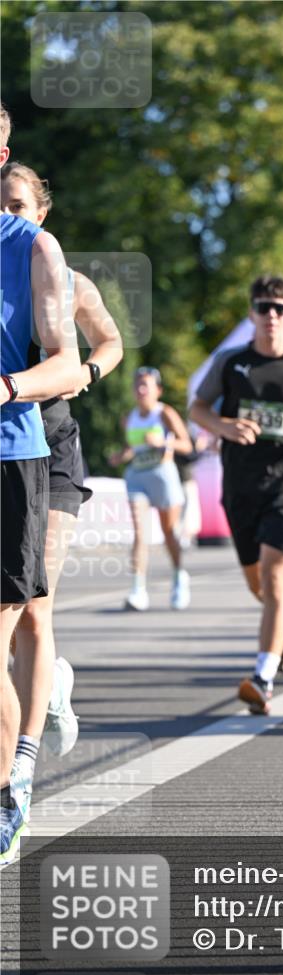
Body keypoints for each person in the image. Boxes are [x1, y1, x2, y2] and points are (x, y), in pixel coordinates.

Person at [1, 161, 124, 827]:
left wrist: (87, 372)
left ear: (41, 213)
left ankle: (18, 766)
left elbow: (110, 342)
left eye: (21, 204)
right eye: (2, 203)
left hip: (51, 449)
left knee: (36, 607)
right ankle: (46, 691)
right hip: (6, 447)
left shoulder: (62, 277)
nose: (11, 214)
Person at [190, 275, 283, 714]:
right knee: (260, 584)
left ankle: (263, 676)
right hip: (239, 488)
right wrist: (222, 426)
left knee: (277, 575)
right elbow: (198, 407)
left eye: (279, 308)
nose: (271, 315)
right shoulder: (231, 362)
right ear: (252, 314)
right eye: (263, 307)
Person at [1, 113, 81, 862]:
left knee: (21, 620)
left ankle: (11, 786)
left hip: (23, 451)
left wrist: (7, 386)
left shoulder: (38, 253)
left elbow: (77, 358)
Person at [109, 367, 193, 611]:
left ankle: (179, 577)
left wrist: (163, 442)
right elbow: (131, 448)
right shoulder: (129, 417)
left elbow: (187, 445)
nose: (141, 390)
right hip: (137, 476)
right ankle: (138, 590)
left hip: (163, 476)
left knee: (169, 533)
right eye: (138, 385)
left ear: (158, 390)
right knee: (140, 532)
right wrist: (121, 456)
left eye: (146, 385)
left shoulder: (164, 413)